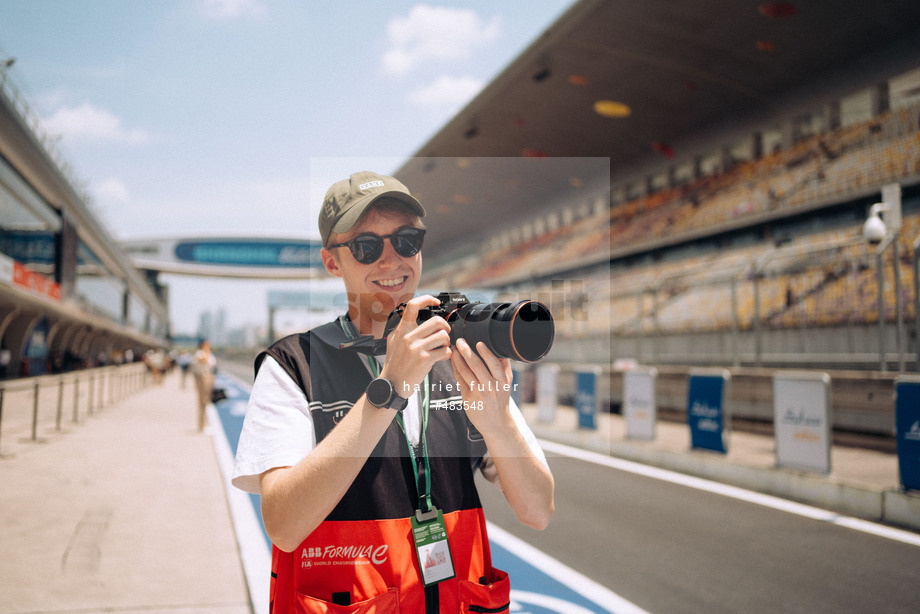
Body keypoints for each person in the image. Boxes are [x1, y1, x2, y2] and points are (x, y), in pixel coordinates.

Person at [232, 171, 554, 613]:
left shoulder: (456, 353)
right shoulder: (292, 364)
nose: (392, 260)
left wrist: (497, 424)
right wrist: (391, 388)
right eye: (366, 247)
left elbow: (538, 510)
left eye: (406, 240)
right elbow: (284, 525)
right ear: (332, 262)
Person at [192, 339, 216, 432]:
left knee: (207, 401)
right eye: (207, 344)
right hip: (202, 377)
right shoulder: (200, 353)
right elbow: (204, 360)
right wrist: (207, 353)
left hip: (209, 376)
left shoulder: (210, 354)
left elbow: (213, 364)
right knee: (202, 400)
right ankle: (202, 424)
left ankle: (205, 423)